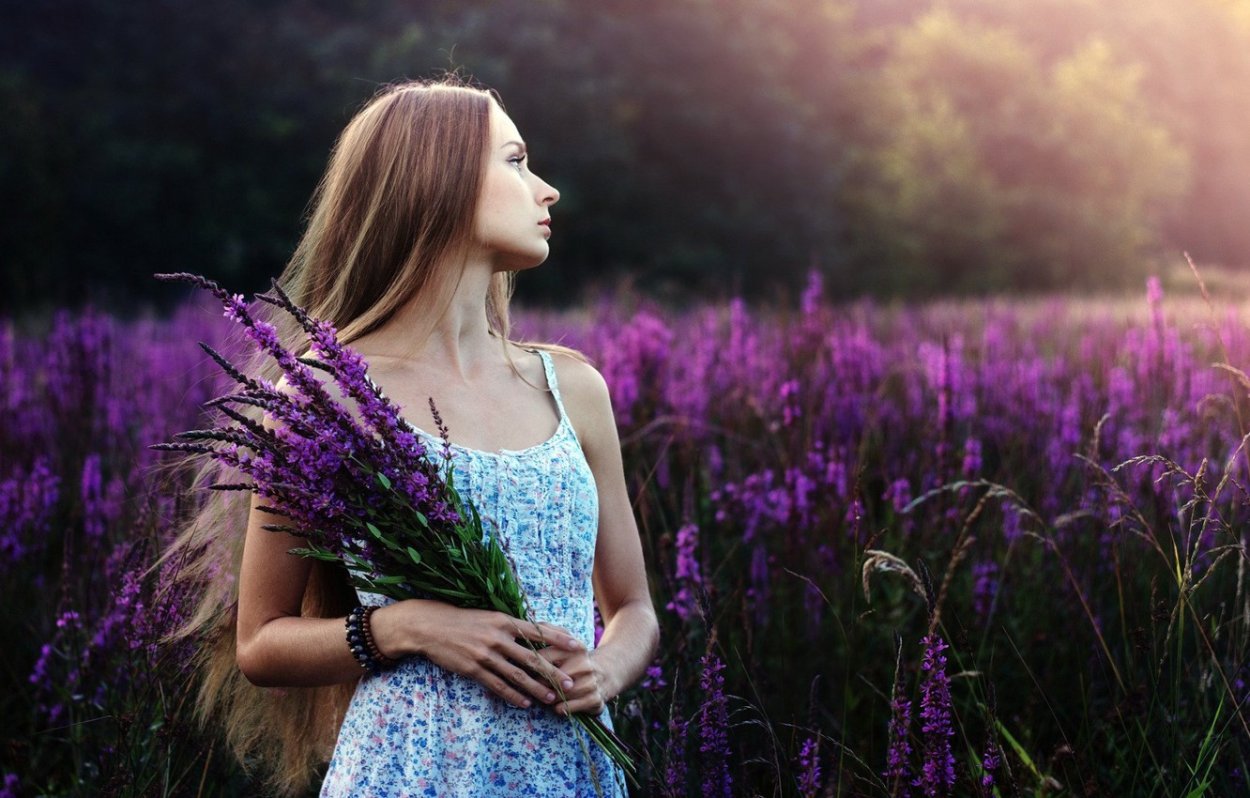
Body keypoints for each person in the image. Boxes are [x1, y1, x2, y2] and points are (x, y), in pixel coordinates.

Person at [160, 75, 659, 797]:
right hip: (411, 769)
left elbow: (633, 608)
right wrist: (408, 627)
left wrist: (605, 670)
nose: (546, 190)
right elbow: (260, 642)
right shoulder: (323, 401)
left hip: (571, 768)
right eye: (517, 161)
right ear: (439, 180)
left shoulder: (572, 387)